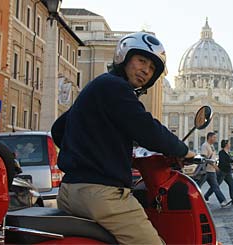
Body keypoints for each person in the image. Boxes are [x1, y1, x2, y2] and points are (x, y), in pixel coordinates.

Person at [52, 32, 195, 244]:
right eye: (142, 61)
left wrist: (93, 150)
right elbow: (147, 129)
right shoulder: (116, 87)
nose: (146, 70)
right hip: (101, 195)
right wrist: (183, 150)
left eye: (152, 68)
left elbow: (58, 130)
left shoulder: (99, 86)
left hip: (69, 192)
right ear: (124, 58)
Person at [205, 139, 233, 205]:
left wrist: (232, 162)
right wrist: (230, 165)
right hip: (222, 172)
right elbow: (223, 162)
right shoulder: (221, 152)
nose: (230, 144)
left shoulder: (228, 152)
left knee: (231, 185)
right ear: (226, 144)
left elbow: (230, 160)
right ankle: (206, 196)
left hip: (228, 172)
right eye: (229, 143)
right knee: (215, 186)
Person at [201, 132, 229, 207]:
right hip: (206, 170)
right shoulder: (205, 145)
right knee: (198, 185)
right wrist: (215, 166)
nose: (215, 139)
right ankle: (192, 198)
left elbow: (213, 157)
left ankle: (223, 201)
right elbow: (205, 158)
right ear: (209, 137)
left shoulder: (211, 146)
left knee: (215, 186)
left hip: (211, 170)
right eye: (214, 137)